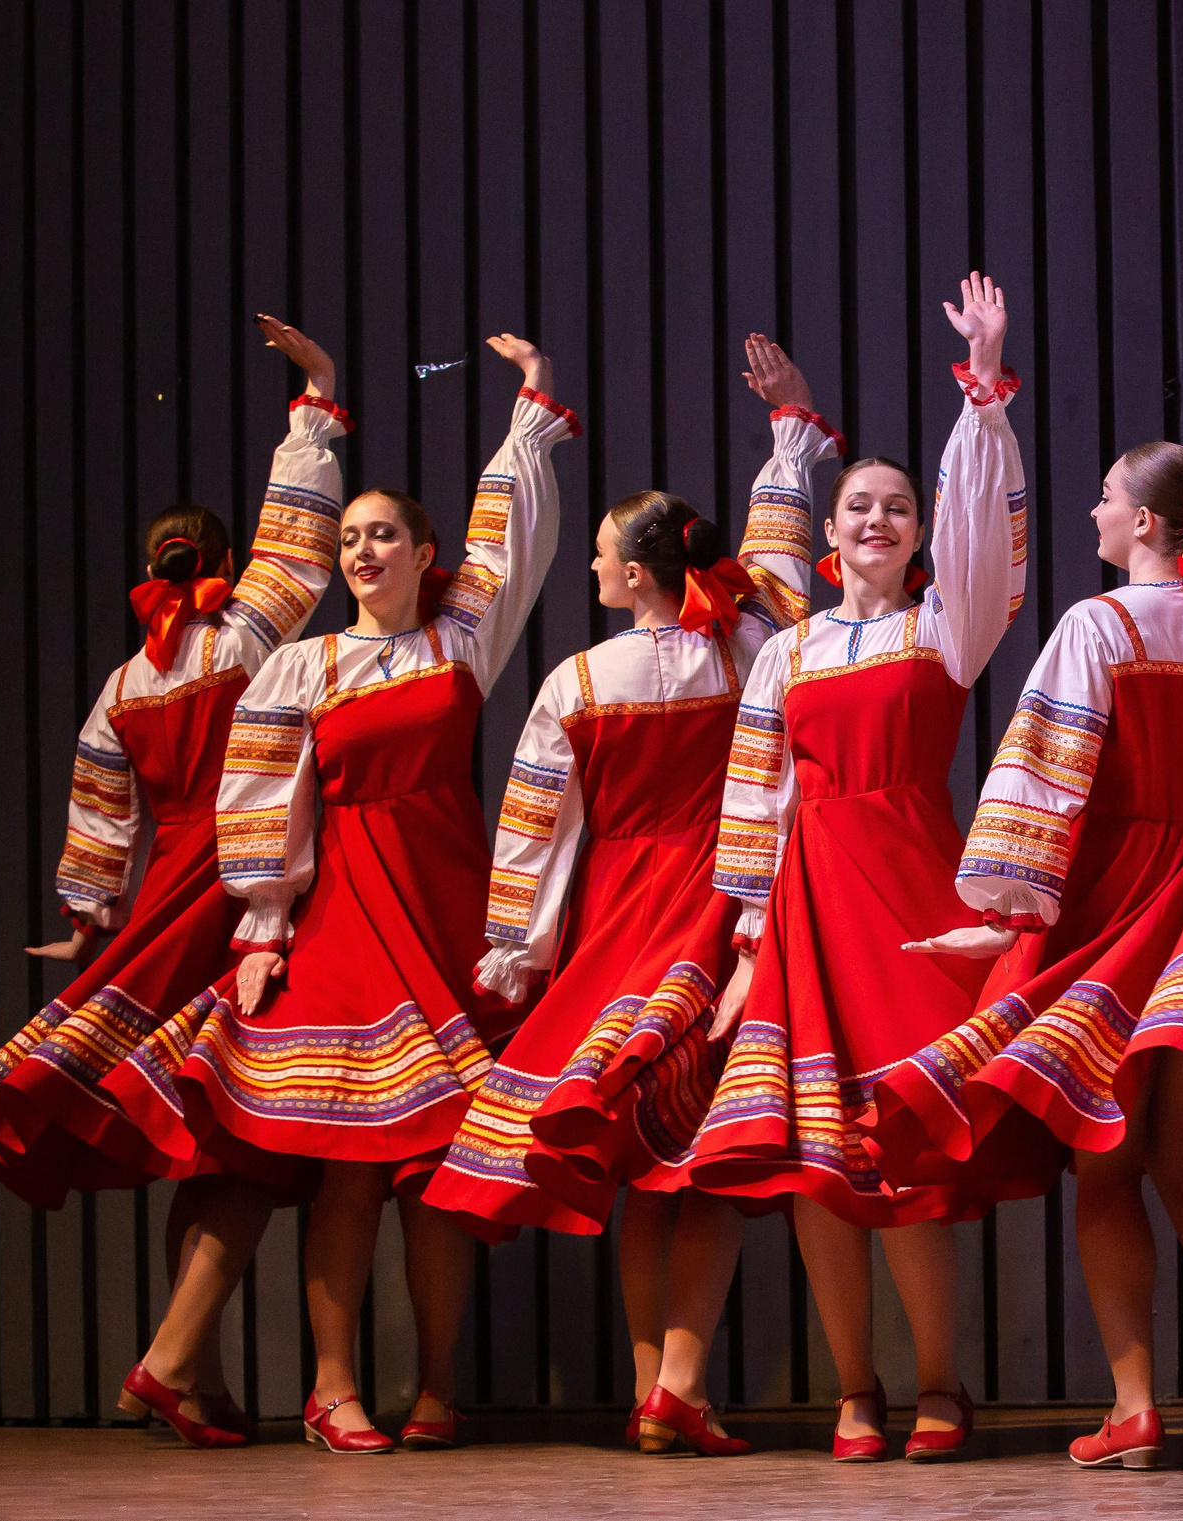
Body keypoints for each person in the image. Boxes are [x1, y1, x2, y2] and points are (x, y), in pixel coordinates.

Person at [878, 303, 1183, 1470]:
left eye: (1101, 495)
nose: (1090, 509)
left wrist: (995, 920)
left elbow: (1046, 776)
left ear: (1141, 521)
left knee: (1107, 1161)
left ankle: (1138, 1399)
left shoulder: (1099, 625)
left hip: (1115, 903)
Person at [129, 336, 576, 1453]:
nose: (363, 550)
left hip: (443, 911)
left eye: (383, 534)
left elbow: (508, 538)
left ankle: (435, 1389)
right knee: (346, 1165)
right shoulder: (301, 668)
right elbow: (263, 801)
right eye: (349, 537)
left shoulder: (460, 640)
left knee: (435, 1170)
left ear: (425, 554)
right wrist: (264, 928)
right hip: (345, 918)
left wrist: (527, 415)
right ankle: (335, 1390)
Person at [418, 336, 821, 1453]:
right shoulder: (752, 649)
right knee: (710, 1160)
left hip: (625, 912)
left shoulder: (577, 680)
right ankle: (673, 1386)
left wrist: (518, 952)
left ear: (638, 574)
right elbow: (776, 561)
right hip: (729, 903)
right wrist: (789, 435)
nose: (595, 569)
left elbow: (537, 831)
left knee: (649, 1163)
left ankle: (664, 1385)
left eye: (603, 555)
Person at [0, 316, 345, 1447]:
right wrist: (315, 400)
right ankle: (174, 1367)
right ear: (221, 562)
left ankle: (201, 1384)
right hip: (240, 883)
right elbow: (303, 540)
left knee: (202, 1132)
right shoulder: (243, 635)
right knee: (250, 1136)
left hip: (169, 891)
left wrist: (86, 920)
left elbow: (98, 809)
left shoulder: (126, 681)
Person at [682, 277, 1032, 1461]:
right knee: (814, 1165)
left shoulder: (947, 625)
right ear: (828, 538)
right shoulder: (787, 650)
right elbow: (754, 801)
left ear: (918, 530)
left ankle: (939, 1381)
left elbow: (989, 542)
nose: (876, 521)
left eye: (895, 507)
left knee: (904, 1163)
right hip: (806, 904)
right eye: (858, 509)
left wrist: (983, 392)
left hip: (909, 894)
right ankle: (853, 1388)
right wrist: (742, 946)